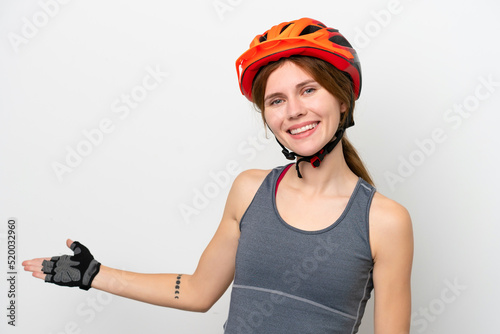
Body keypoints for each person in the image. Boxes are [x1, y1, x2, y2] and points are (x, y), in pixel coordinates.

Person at [23, 17, 413, 334]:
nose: (293, 110)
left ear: (342, 99)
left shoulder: (384, 222)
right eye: (276, 100)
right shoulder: (250, 190)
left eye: (308, 90)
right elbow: (197, 291)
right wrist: (95, 274)